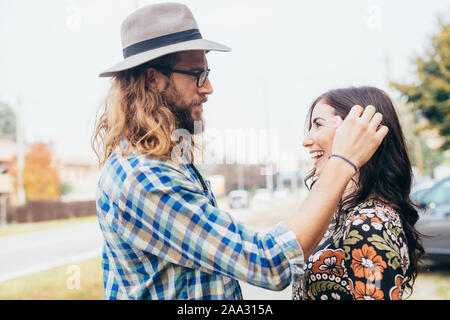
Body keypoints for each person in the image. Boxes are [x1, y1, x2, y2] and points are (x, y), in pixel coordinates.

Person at [92, 3, 388, 299]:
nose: (208, 88)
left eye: (206, 73)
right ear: (152, 78)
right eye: (197, 74)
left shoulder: (168, 163)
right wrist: (342, 162)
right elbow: (270, 264)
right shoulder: (144, 178)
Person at [295, 86, 424, 300]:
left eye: (318, 124)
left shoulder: (369, 222)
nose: (307, 140)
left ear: (357, 132)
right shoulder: (353, 214)